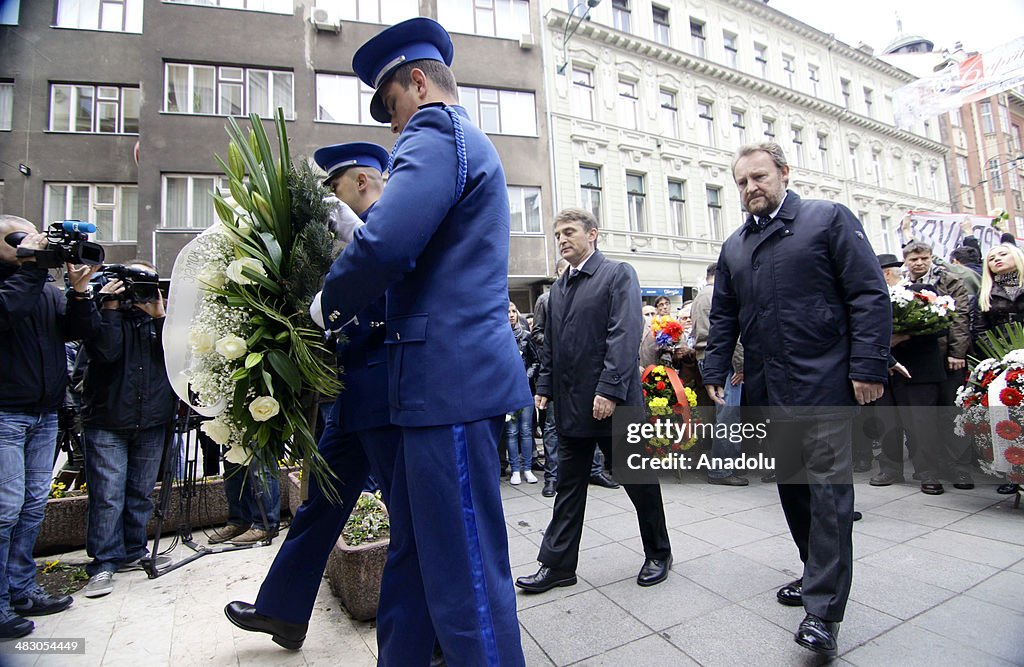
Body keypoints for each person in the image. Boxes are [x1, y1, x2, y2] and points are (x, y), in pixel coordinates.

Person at [318, 18, 532, 665]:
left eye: (391, 105)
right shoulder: (461, 140)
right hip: (439, 385)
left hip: (447, 386)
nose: (392, 126)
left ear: (418, 83)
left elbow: (386, 243)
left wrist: (323, 305)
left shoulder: (436, 129)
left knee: (465, 573)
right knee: (415, 558)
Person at [703, 142, 890, 658]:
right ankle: (814, 575)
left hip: (825, 382)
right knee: (793, 490)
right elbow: (724, 316)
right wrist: (715, 368)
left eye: (758, 177)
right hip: (767, 388)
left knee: (828, 496)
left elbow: (868, 294)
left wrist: (869, 367)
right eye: (741, 183)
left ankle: (824, 613)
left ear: (784, 173)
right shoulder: (736, 245)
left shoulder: (827, 220)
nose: (750, 189)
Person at [225, 142, 409, 651]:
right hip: (352, 396)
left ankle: (424, 629)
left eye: (334, 189)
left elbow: (393, 295)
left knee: (408, 515)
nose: (329, 202)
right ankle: (282, 611)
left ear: (361, 183)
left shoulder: (389, 226)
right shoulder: (347, 240)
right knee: (319, 504)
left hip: (388, 392)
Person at [516, 208, 672, 594]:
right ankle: (557, 566)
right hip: (571, 408)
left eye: (569, 232)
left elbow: (624, 334)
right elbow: (551, 346)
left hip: (613, 405)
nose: (563, 239)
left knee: (638, 482)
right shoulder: (557, 290)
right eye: (558, 234)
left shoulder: (617, 275)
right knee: (569, 487)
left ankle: (659, 552)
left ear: (593, 235)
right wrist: (545, 388)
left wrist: (609, 389)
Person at [0, 215, 99, 639]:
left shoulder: (41, 288)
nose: (31, 241)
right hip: (5, 413)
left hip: (43, 412)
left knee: (30, 505)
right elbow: (6, 313)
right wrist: (35, 264)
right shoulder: (17, 286)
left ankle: (21, 589)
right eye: (18, 236)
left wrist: (79, 293)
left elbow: (81, 334)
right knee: (4, 509)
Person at [78, 261, 176, 598]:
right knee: (107, 495)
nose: (137, 291)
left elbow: (176, 356)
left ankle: (135, 551)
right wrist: (110, 308)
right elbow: (105, 352)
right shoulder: (103, 313)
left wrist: (160, 314)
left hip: (151, 419)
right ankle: (104, 562)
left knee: (140, 492)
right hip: (107, 420)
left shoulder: (158, 321)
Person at [534, 262, 617, 497]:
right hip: (562, 382)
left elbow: (615, 334)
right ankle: (552, 476)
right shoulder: (549, 298)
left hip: (593, 381)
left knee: (597, 428)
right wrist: (546, 380)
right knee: (553, 431)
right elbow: (542, 335)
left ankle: (595, 470)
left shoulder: (606, 281)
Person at [971, 243, 1024, 496]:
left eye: (1003, 254)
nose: (997, 259)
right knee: (1005, 418)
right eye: (992, 258)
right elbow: (979, 331)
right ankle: (1012, 473)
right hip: (1002, 361)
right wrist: (993, 360)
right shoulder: (985, 294)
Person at [691, 262, 747, 486]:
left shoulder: (699, 296)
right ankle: (722, 470)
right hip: (724, 361)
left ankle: (722, 467)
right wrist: (740, 364)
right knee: (728, 414)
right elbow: (727, 333)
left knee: (723, 414)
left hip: (707, 359)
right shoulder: (718, 294)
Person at [506, 302, 539, 486]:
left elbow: (536, 361)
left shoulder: (526, 336)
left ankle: (527, 469)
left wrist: (526, 376)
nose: (511, 314)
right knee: (511, 431)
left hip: (525, 391)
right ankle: (515, 470)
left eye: (513, 311)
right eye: (507, 312)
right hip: (509, 392)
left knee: (526, 430)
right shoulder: (500, 337)